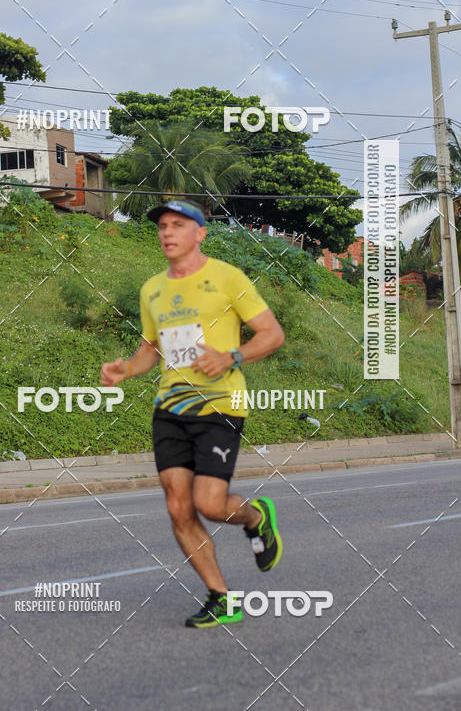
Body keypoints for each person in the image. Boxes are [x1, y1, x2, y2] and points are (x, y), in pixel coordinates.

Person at [100, 200, 285, 628]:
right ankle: (221, 597)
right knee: (178, 508)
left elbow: (272, 334)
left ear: (200, 232)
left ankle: (256, 516)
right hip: (170, 408)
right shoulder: (152, 289)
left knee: (210, 504)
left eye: (178, 225)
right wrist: (125, 369)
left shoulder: (226, 277)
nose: (167, 232)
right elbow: (151, 351)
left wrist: (231, 356)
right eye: (162, 226)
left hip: (219, 404)